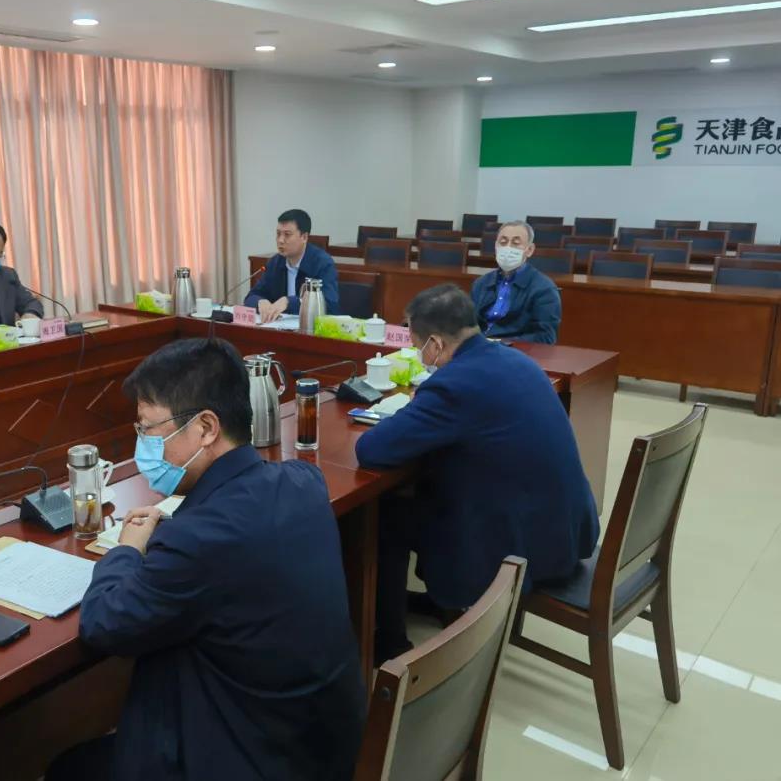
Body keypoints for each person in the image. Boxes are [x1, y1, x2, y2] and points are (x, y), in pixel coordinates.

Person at [48, 338, 365, 781]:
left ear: (206, 428)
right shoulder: (303, 480)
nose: (142, 445)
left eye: (148, 429)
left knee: (68, 768)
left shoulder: (197, 540)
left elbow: (104, 623)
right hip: (319, 744)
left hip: (249, 757)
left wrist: (126, 549)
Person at [355, 285, 599, 664]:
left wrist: (417, 408)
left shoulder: (454, 385)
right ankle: (434, 602)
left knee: (384, 514)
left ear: (436, 344)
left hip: (523, 552)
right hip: (567, 530)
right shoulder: (517, 360)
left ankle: (389, 643)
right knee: (428, 487)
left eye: (418, 346)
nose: (421, 356)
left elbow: (372, 450)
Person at [470, 220, 561, 343]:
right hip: (479, 347)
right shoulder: (481, 283)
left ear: (529, 250)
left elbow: (545, 337)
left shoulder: (544, 289)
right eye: (503, 242)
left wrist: (502, 343)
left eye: (515, 243)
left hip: (515, 350)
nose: (508, 247)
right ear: (496, 246)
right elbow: (469, 324)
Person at [244, 209, 339, 323]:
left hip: (312, 328)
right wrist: (260, 302)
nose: (280, 240)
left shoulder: (322, 263)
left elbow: (329, 303)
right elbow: (251, 296)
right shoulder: (275, 263)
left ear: (304, 237)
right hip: (280, 328)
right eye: (278, 234)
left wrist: (289, 302)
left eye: (287, 235)